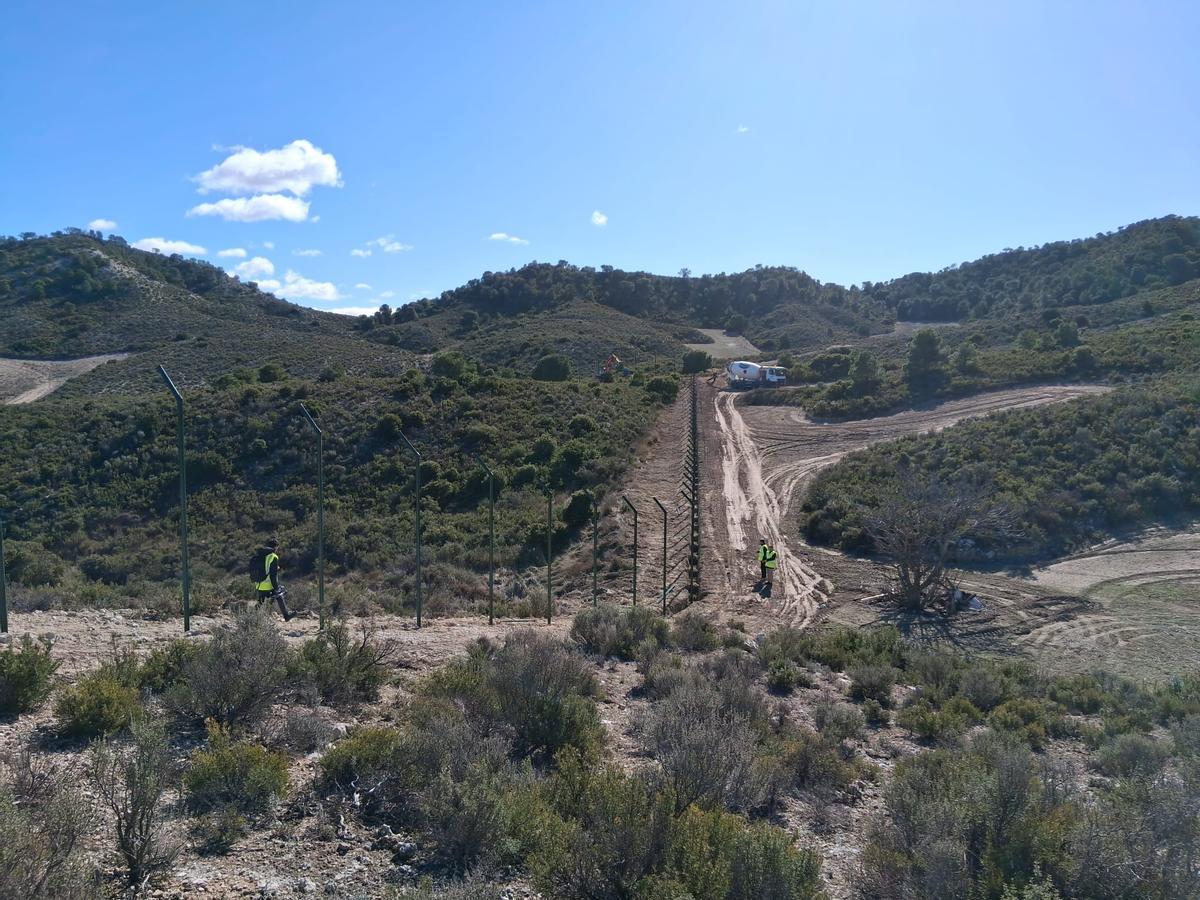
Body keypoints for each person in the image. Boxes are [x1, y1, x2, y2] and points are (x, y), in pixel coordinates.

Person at [254, 538, 293, 621]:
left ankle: (251, 617)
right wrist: (276, 587)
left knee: (261, 601)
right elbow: (273, 575)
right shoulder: (273, 556)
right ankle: (286, 615)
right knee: (279, 594)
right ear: (276, 547)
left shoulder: (260, 555)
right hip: (268, 584)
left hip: (259, 584)